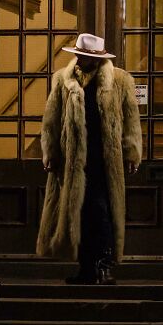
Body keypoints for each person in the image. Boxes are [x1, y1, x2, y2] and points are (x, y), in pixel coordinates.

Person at [36, 32, 142, 284]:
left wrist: (131, 151)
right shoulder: (63, 79)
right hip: (73, 159)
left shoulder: (120, 80)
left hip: (104, 159)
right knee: (78, 212)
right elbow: (51, 119)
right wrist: (50, 151)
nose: (81, 60)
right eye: (79, 55)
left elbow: (131, 119)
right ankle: (85, 268)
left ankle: (103, 266)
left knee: (101, 211)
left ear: (97, 58)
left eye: (85, 56)